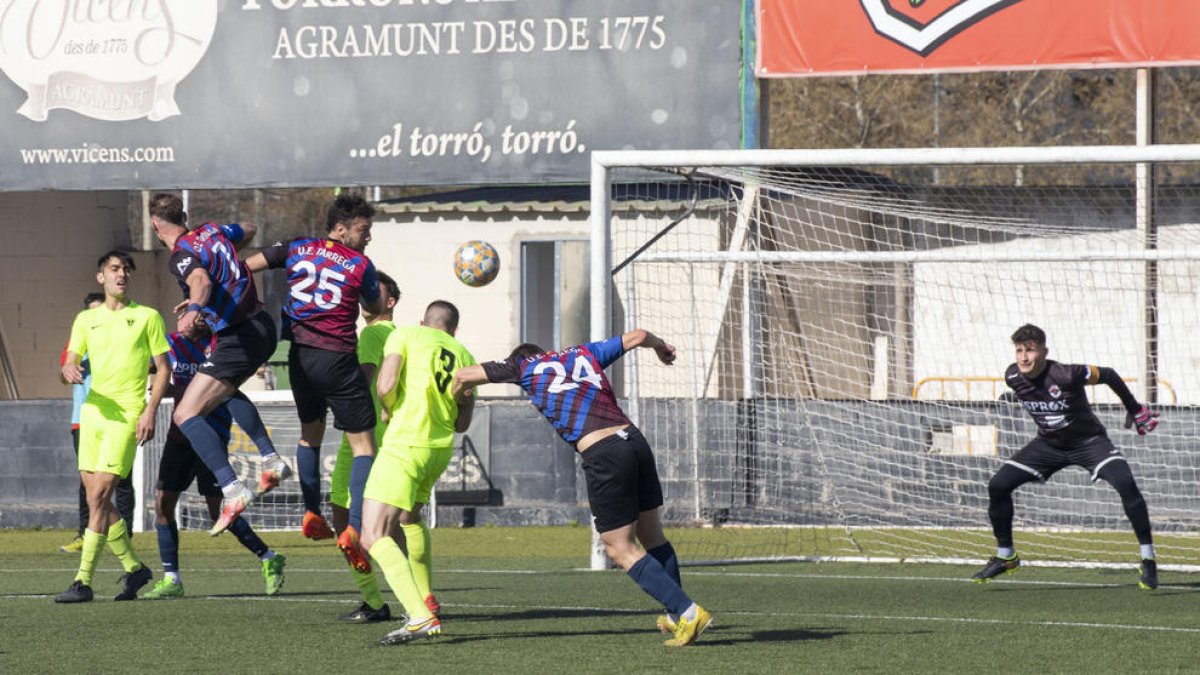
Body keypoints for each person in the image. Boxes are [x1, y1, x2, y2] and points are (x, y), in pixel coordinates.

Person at [453, 329, 712, 647]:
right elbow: (639, 335)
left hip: (605, 453)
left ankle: (688, 612)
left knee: (618, 548)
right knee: (652, 536)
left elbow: (463, 375)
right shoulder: (581, 353)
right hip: (634, 441)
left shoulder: (522, 366)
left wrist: (457, 401)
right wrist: (661, 347)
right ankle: (676, 617)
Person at [242, 194, 385, 572]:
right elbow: (373, 307)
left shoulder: (297, 246)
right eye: (363, 230)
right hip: (337, 357)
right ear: (341, 228)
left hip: (299, 357)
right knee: (364, 448)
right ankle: (354, 528)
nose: (367, 237)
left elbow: (246, 266)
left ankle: (310, 513)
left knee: (310, 436)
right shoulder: (360, 264)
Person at [973, 324, 1161, 589]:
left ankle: (1148, 560)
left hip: (1090, 443)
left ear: (1044, 351)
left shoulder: (1067, 374)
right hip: (1048, 446)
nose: (1024, 357)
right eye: (1019, 351)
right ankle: (1006, 556)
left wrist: (1135, 408)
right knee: (998, 485)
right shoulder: (1012, 376)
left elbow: (1108, 374)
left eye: (1030, 350)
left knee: (1126, 484)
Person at [148, 193, 291, 536]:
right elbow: (248, 227)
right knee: (220, 393)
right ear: (183, 214)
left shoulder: (181, 255)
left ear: (155, 225)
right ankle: (271, 459)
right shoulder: (213, 231)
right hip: (261, 328)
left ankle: (232, 489)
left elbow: (201, 281)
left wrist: (196, 309)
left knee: (185, 414)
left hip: (237, 336)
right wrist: (229, 262)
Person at [55, 251, 170, 603]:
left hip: (126, 414)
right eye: (114, 269)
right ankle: (136, 570)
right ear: (100, 277)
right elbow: (71, 359)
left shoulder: (147, 317)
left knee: (100, 496)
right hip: (92, 415)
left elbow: (163, 369)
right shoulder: (85, 320)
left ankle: (83, 581)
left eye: (125, 270)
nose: (122, 275)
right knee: (98, 500)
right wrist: (68, 370)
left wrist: (150, 411)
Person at [143, 323, 286, 599]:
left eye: (191, 312)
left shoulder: (221, 348)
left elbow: (228, 392)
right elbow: (158, 374)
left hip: (211, 438)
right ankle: (172, 578)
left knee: (217, 510)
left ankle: (269, 557)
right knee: (163, 502)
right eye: (182, 312)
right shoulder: (171, 344)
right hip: (180, 436)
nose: (184, 319)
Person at [362, 300, 475, 645]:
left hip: (406, 443)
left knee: (373, 534)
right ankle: (426, 597)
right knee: (409, 519)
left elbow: (384, 384)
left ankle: (420, 615)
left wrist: (387, 409)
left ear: (422, 321)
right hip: (438, 450)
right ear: (453, 330)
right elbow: (463, 422)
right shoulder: (464, 354)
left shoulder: (406, 334)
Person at [327, 272, 400, 623]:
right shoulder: (403, 338)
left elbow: (362, 380)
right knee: (394, 523)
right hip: (390, 438)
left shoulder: (374, 333)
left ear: (391, 302)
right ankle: (419, 594)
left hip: (362, 439)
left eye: (377, 290)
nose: (367, 294)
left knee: (348, 524)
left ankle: (374, 601)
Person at [59, 292, 136, 553]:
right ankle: (85, 533)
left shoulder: (118, 342)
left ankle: (127, 534)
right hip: (83, 421)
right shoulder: (77, 345)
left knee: (121, 482)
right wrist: (69, 370)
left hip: (117, 418)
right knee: (89, 485)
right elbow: (64, 374)